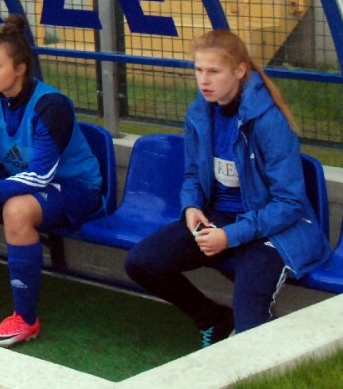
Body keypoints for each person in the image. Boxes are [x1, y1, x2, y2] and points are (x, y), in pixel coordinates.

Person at [125, 30, 331, 348]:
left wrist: (230, 236)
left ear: (239, 71)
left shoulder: (269, 121)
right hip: (219, 218)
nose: (203, 80)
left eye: (214, 71)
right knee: (141, 262)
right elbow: (193, 175)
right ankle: (212, 318)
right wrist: (191, 207)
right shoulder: (200, 112)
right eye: (198, 70)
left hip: (272, 230)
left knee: (248, 326)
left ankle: (257, 342)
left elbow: (289, 203)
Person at [0, 14, 101, 346]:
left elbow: (41, 174)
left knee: (16, 210)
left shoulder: (51, 105)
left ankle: (25, 319)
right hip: (23, 182)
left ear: (20, 69)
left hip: (75, 187)